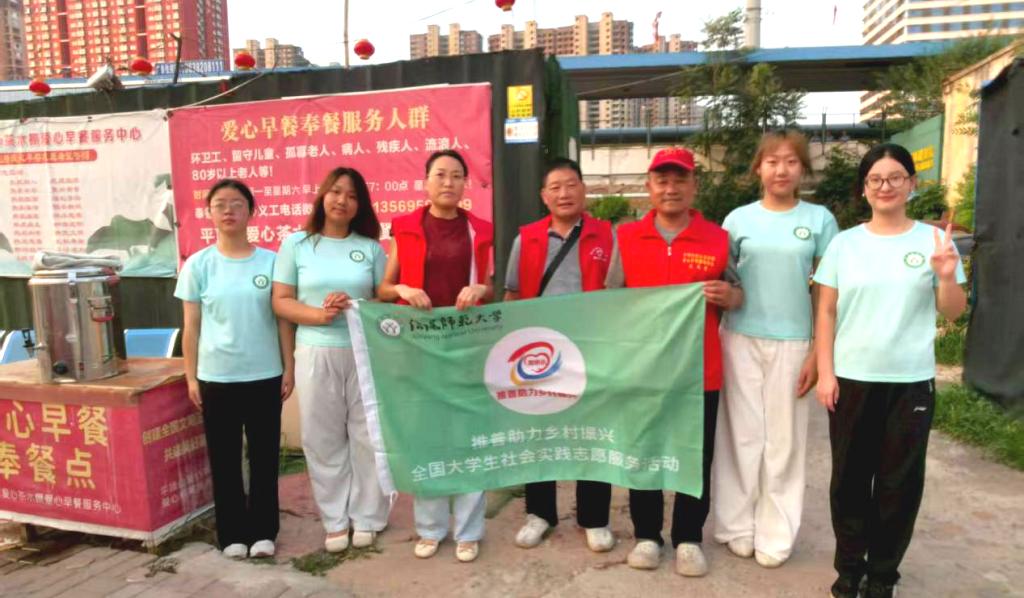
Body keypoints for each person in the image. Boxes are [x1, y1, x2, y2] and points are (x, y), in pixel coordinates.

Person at [813, 143, 967, 598]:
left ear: (911, 184)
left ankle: (883, 576)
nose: (886, 186)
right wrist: (826, 372)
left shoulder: (933, 242)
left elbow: (954, 312)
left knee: (899, 484)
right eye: (876, 179)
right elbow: (826, 311)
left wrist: (946, 276)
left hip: (910, 384)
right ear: (864, 188)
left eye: (895, 177)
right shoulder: (844, 244)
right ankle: (849, 569)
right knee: (849, 481)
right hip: (851, 380)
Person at [605, 147, 743, 576]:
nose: (670, 188)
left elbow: (739, 293)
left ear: (694, 186)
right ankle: (647, 535)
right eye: (662, 180)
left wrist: (729, 296)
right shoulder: (626, 237)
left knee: (694, 457)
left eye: (680, 179)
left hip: (698, 371)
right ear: (649, 187)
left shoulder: (717, 239)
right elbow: (611, 299)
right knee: (642, 451)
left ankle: (688, 537)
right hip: (642, 371)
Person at [712, 130, 839, 568]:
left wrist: (818, 354)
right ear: (758, 169)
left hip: (794, 342)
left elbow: (827, 293)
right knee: (741, 436)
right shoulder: (737, 220)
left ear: (802, 169)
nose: (781, 170)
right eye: (772, 161)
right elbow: (724, 280)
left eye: (790, 161)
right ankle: (736, 526)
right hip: (739, 337)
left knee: (784, 441)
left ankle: (776, 533)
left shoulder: (820, 220)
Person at [378, 149, 494, 563]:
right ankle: (430, 527)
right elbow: (383, 289)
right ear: (426, 182)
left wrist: (481, 289)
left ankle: (469, 530)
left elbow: (497, 288)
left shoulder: (481, 230)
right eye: (440, 175)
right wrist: (403, 289)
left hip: (467, 345)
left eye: (457, 175)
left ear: (466, 184)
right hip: (419, 347)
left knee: (468, 437)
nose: (448, 182)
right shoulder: (407, 227)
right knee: (426, 436)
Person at [175, 179, 295, 559]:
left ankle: (263, 531)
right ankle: (231, 535)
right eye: (220, 204)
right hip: (217, 378)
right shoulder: (198, 265)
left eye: (237, 204)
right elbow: (191, 327)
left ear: (251, 212)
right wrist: (191, 376)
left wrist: (288, 367)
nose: (228, 211)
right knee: (224, 459)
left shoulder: (271, 262)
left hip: (264, 374)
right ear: (209, 213)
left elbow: (283, 320)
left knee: (264, 458)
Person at [271, 167, 389, 554]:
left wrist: (354, 304)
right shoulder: (297, 245)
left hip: (363, 352)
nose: (342, 201)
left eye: (352, 196)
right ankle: (336, 520)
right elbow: (281, 301)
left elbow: (384, 300)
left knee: (367, 436)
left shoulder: (370, 249)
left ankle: (367, 517)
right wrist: (319, 315)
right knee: (322, 439)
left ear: (361, 205)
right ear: (323, 195)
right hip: (314, 351)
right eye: (336, 192)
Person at [503, 158, 615, 553]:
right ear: (544, 196)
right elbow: (513, 293)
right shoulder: (526, 238)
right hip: (540, 353)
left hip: (592, 349)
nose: (564, 193)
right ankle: (540, 513)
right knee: (540, 434)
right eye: (555, 187)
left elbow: (621, 293)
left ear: (583, 189)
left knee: (592, 433)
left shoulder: (607, 236)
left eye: (571, 185)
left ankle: (594, 517)